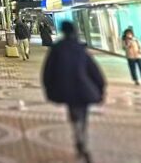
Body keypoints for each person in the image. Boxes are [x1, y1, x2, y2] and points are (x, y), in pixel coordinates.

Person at [42, 21, 106, 163]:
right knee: (83, 113)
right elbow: (94, 70)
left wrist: (48, 88)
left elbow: (48, 71)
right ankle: (82, 136)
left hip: (66, 89)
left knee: (74, 112)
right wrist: (101, 87)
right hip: (84, 88)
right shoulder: (80, 48)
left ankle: (78, 135)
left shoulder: (57, 49)